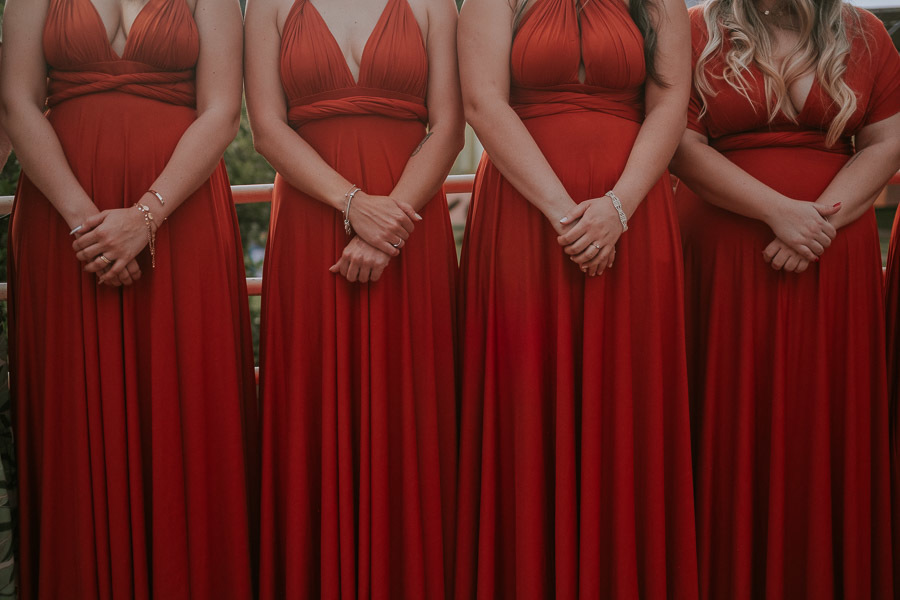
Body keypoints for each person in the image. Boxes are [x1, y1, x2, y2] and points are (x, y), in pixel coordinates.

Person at [0, 0, 258, 596]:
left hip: (181, 213)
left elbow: (222, 113)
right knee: (71, 419)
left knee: (185, 397)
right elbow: (17, 102)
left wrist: (146, 216)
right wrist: (82, 222)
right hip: (61, 220)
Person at [453, 0, 699, 596]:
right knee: (523, 400)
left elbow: (669, 103)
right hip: (524, 219)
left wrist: (618, 209)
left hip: (634, 218)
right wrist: (569, 216)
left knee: (630, 399)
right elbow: (484, 101)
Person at [670, 1, 900, 597]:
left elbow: (886, 141)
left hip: (833, 261)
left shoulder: (865, 32)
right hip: (724, 263)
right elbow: (679, 144)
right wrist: (779, 212)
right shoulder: (695, 28)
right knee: (723, 423)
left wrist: (817, 224)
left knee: (819, 424)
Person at [243, 0, 464, 595]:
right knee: (313, 399)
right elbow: (267, 128)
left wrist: (390, 223)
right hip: (314, 226)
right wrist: (353, 205)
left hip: (410, 221)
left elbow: (449, 126)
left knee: (412, 403)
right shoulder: (266, 6)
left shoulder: (434, 6)